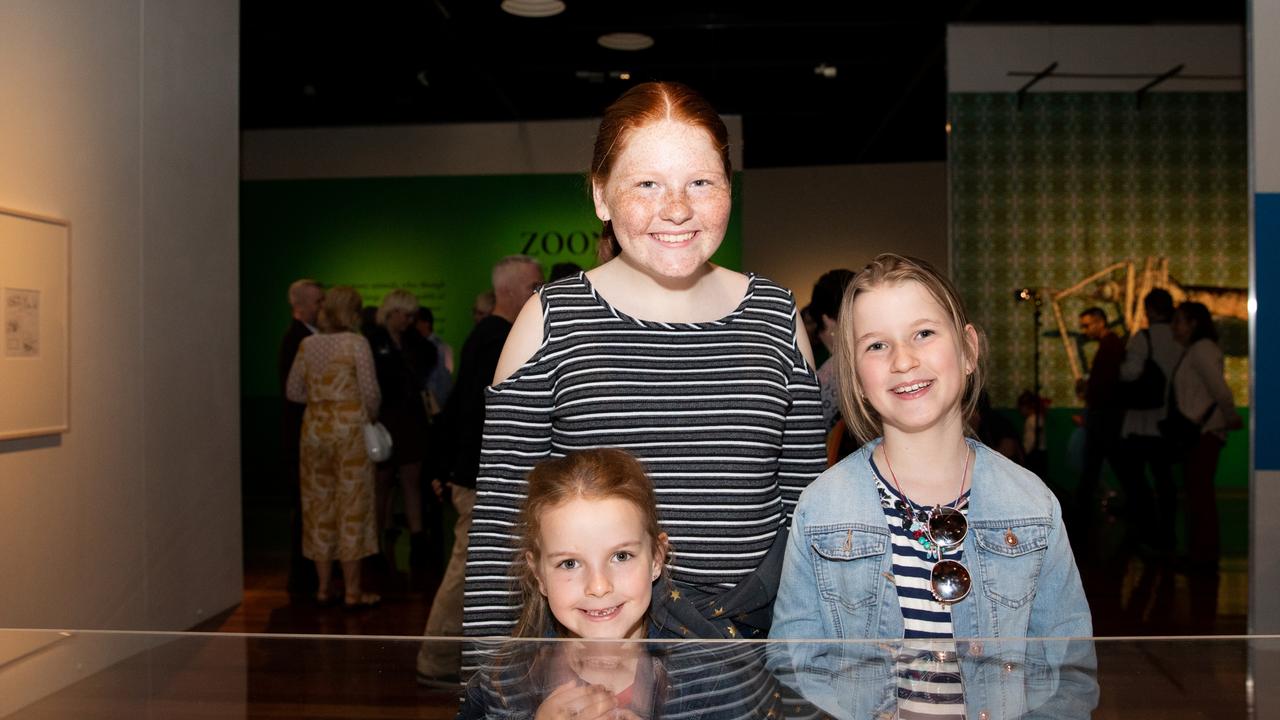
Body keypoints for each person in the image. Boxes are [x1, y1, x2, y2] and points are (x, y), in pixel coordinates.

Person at [463, 81, 826, 653]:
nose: (677, 209)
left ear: (729, 188)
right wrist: (488, 695)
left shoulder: (775, 317)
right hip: (597, 659)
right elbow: (500, 539)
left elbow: (807, 522)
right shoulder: (551, 321)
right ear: (602, 196)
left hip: (749, 659)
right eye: (647, 184)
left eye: (701, 182)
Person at [772, 254, 1093, 718]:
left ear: (967, 350)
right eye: (877, 346)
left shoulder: (1032, 506)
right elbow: (795, 669)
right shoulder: (823, 507)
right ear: (856, 379)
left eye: (923, 333)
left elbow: (1068, 677)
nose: (904, 359)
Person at [458, 449, 792, 720]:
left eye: (621, 556)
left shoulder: (713, 680)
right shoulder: (504, 683)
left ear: (656, 558)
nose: (599, 586)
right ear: (539, 574)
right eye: (569, 563)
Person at [417, 255, 545, 686]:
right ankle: (436, 660)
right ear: (508, 291)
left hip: (472, 473)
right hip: (477, 477)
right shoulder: (495, 337)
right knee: (467, 569)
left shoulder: (489, 335)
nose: (539, 292)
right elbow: (475, 415)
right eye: (532, 285)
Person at [286, 285, 382, 608]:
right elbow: (370, 393)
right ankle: (353, 591)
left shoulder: (307, 344)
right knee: (352, 507)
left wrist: (321, 402)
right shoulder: (356, 343)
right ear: (351, 312)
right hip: (350, 431)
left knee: (318, 507)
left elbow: (293, 392)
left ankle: (324, 588)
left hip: (314, 430)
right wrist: (364, 412)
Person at [1168, 301, 1242, 631]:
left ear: (1194, 323)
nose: (1175, 328)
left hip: (1204, 431)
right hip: (1201, 430)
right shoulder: (1197, 349)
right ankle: (1200, 555)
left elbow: (1219, 389)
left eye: (1179, 322)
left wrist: (1230, 418)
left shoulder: (1201, 350)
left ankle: (1205, 558)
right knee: (1197, 494)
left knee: (1201, 495)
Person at [366, 289, 436, 586]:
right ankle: (376, 544)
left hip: (409, 418)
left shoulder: (411, 341)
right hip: (385, 417)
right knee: (381, 483)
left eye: (411, 316)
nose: (408, 321)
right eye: (404, 315)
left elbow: (429, 357)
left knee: (411, 479)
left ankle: (418, 540)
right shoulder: (373, 339)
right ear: (391, 311)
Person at [1112, 289, 1181, 552]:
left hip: (1141, 421)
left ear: (1150, 309)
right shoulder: (1179, 338)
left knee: (1136, 482)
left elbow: (1130, 374)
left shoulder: (1144, 338)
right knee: (1165, 481)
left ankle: (1147, 534)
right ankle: (1168, 535)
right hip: (1168, 421)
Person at [279, 279, 324, 596]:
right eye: (318, 301)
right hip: (301, 436)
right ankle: (303, 577)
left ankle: (309, 576)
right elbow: (293, 393)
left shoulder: (309, 338)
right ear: (300, 305)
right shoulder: (297, 339)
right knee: (304, 507)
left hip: (308, 435)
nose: (322, 308)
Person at [1073, 306, 1125, 527]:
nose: (1084, 331)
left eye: (1086, 325)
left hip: (1104, 419)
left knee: (1095, 468)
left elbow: (1108, 384)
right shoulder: (1109, 345)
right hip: (1103, 418)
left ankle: (1082, 517)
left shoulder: (1111, 345)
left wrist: (1091, 391)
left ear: (1100, 322)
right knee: (1097, 468)